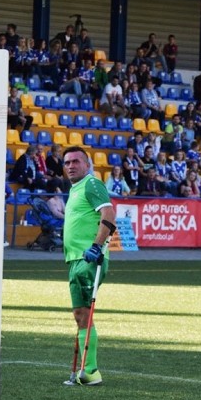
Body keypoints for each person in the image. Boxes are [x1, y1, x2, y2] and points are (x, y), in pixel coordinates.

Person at [61, 146, 116, 386]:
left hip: (88, 258)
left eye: (76, 161)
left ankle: (91, 371)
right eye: (67, 163)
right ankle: (86, 370)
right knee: (80, 313)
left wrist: (96, 246)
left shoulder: (92, 184)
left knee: (85, 312)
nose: (71, 166)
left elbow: (109, 213)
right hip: (75, 259)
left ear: (87, 164)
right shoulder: (74, 190)